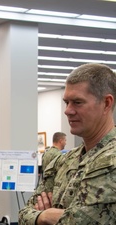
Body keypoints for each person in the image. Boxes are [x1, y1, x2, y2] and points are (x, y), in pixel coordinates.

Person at [19, 63, 116, 224]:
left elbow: (79, 222)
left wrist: (45, 215)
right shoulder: (64, 160)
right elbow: (23, 215)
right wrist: (43, 217)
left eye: (78, 102)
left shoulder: (111, 160)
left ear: (106, 103)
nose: (68, 111)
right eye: (66, 102)